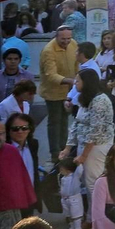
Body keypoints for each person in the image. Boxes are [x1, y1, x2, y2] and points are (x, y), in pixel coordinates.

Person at [61, 69, 114, 189]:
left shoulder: (100, 101)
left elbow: (95, 131)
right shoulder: (85, 98)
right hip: (84, 145)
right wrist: (67, 148)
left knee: (93, 182)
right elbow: (77, 122)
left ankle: (96, 208)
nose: (75, 83)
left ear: (86, 82)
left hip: (96, 147)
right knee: (86, 181)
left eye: (78, 81)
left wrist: (84, 156)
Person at [37, 27, 78, 158]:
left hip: (69, 91)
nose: (66, 41)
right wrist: (70, 81)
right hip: (53, 92)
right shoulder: (48, 51)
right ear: (56, 37)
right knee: (55, 122)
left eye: (68, 38)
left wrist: (79, 77)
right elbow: (51, 75)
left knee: (65, 119)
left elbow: (77, 63)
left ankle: (64, 148)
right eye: (63, 39)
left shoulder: (74, 44)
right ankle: (55, 153)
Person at [56, 155, 86, 229]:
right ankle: (72, 226)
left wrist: (78, 163)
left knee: (76, 213)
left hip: (74, 198)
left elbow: (79, 171)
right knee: (68, 214)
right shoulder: (63, 178)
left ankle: (78, 227)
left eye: (62, 169)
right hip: (65, 199)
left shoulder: (74, 177)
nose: (60, 171)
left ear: (68, 169)